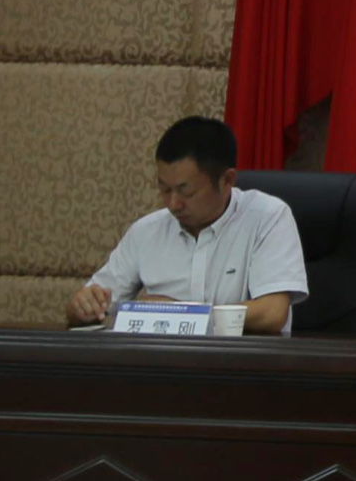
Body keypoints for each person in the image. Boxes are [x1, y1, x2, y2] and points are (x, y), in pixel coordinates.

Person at [69, 116, 305, 334]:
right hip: (162, 362)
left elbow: (272, 313)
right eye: (164, 189)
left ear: (227, 181)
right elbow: (88, 306)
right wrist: (82, 307)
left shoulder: (267, 217)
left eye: (186, 192)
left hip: (241, 362)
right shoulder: (146, 231)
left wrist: (180, 314)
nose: (173, 204)